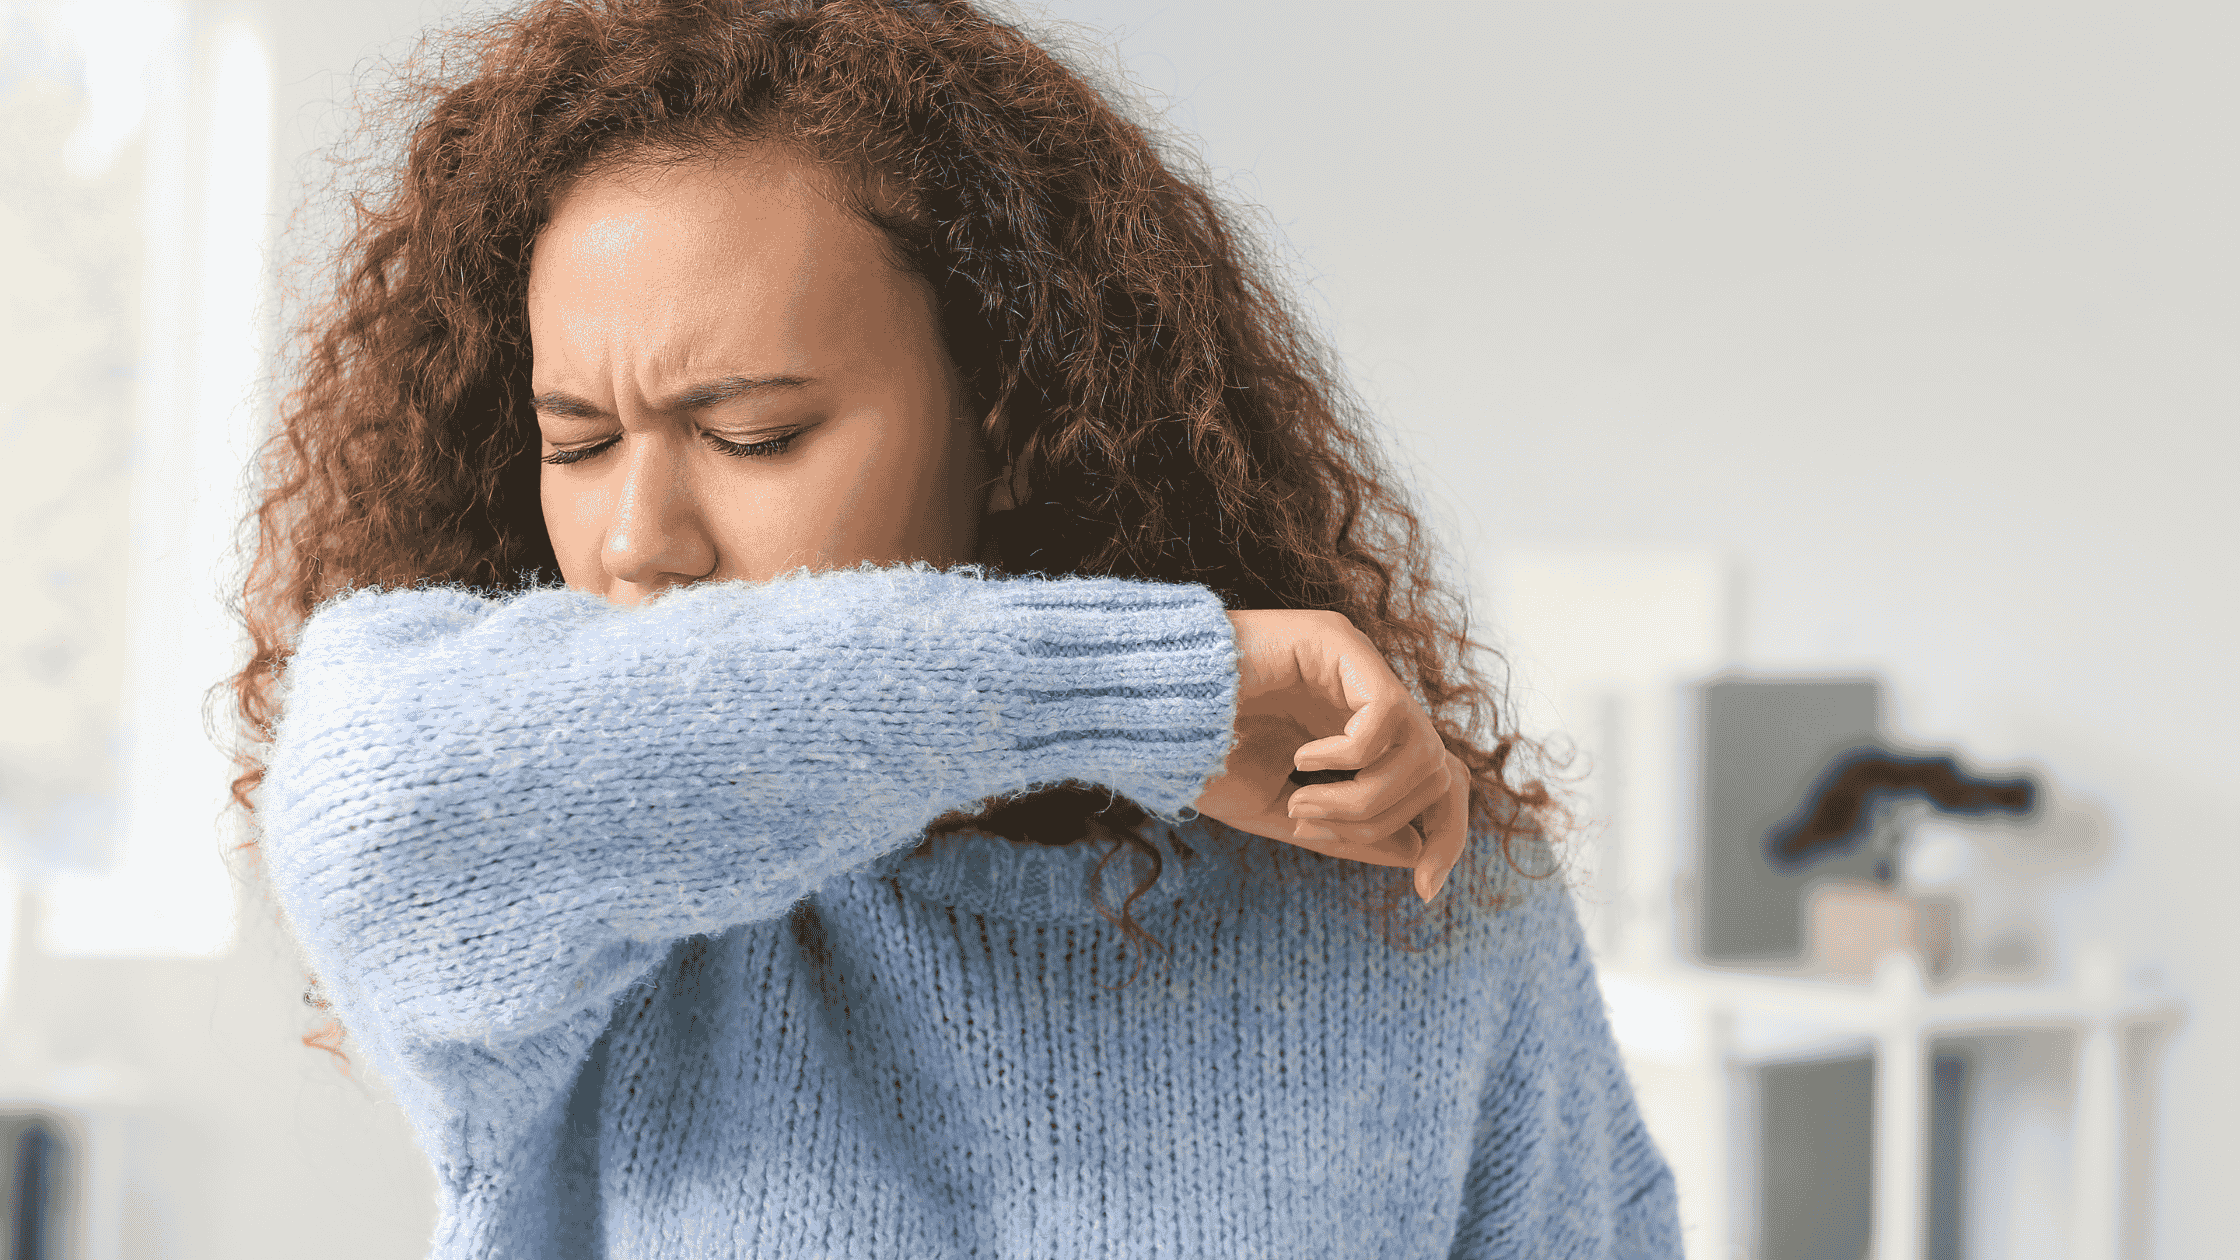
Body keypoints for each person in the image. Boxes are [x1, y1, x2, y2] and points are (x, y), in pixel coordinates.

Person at [233, 1, 1682, 1256]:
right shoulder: (590, 896)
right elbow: (374, 798)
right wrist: (1143, 691)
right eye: (578, 442)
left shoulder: (1416, 897)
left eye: (752, 435)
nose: (633, 544)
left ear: (1015, 418)